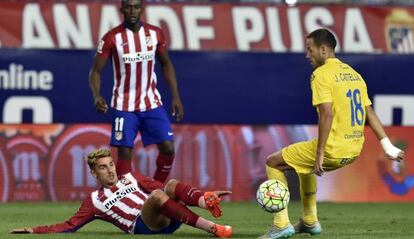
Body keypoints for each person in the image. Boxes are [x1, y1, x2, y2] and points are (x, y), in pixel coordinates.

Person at [258, 28, 405, 239]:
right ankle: (309, 221)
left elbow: (325, 113)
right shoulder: (354, 75)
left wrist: (320, 154)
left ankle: (281, 224)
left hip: (332, 149)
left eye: (310, 50)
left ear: (324, 49)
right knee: (303, 163)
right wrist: (388, 146)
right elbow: (369, 112)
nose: (307, 55)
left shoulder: (320, 74)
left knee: (273, 161)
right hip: (354, 149)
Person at [11, 148, 232, 237]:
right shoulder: (94, 200)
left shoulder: (131, 176)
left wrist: (195, 194)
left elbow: (161, 188)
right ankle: (214, 228)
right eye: (102, 167)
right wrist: (34, 230)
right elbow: (69, 226)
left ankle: (205, 200)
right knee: (157, 196)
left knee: (170, 184)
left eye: (110, 164)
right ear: (94, 174)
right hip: (145, 226)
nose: (109, 170)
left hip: (169, 216)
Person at [88, 0, 184, 182]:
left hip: (151, 103)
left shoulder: (155, 34)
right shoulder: (111, 38)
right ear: (122, 10)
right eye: (128, 7)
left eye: (136, 6)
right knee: (124, 153)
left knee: (168, 148)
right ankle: (126, 199)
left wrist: (176, 96)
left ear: (142, 9)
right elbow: (95, 71)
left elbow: (166, 64)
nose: (132, 10)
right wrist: (96, 95)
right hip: (123, 106)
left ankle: (156, 190)